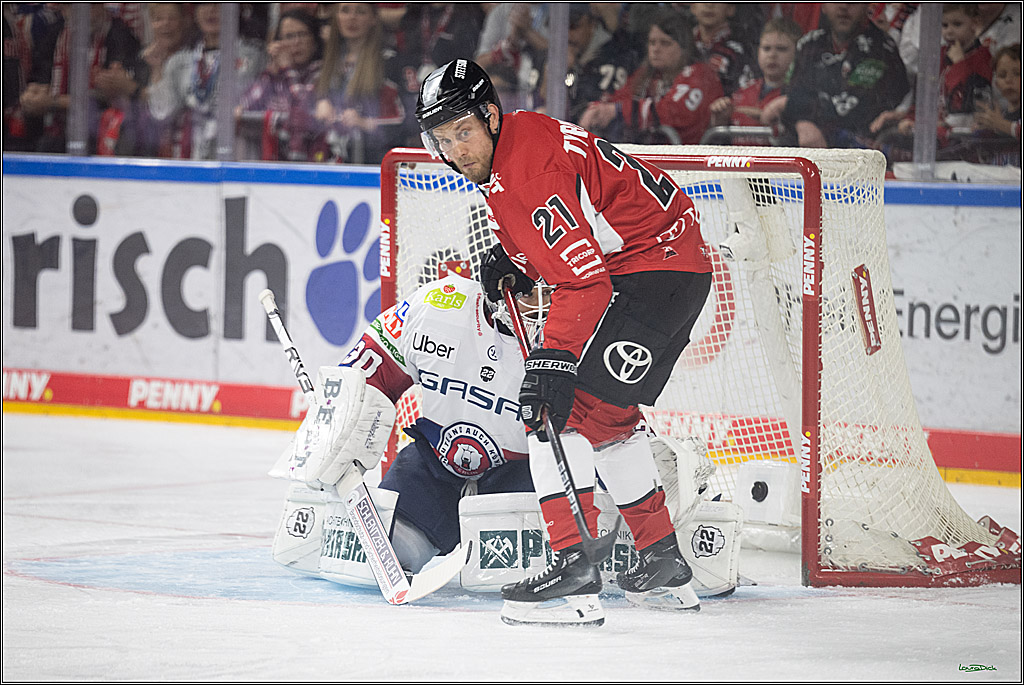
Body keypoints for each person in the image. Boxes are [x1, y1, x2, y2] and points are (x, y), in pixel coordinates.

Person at [416, 59, 713, 626]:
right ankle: (662, 562)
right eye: (442, 139)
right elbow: (577, 223)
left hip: (651, 278)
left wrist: (553, 360)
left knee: (555, 414)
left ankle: (573, 568)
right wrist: (518, 258)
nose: (455, 150)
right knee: (609, 422)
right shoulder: (522, 136)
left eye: (463, 131)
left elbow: (584, 282)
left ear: (490, 116)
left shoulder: (527, 175)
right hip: (670, 272)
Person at [578, 9, 723, 145]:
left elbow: (672, 113)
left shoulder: (701, 75)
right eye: (652, 42)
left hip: (689, 158)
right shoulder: (646, 75)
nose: (656, 49)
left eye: (665, 43)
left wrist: (618, 110)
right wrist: (599, 109)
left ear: (684, 48)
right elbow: (620, 98)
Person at [781, 2, 910, 149]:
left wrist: (797, 110)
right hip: (803, 150)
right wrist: (802, 122)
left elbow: (854, 111)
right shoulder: (809, 44)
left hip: (862, 152)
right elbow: (789, 93)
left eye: (852, 2)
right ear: (823, 6)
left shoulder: (882, 49)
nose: (844, 6)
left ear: (867, 6)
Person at [147, 3, 264, 159]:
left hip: (239, 154)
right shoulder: (180, 61)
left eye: (218, 4)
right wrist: (157, 69)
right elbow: (162, 112)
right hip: (194, 157)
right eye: (204, 4)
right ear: (195, 12)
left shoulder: (254, 56)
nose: (211, 10)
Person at [313, 2, 404, 165]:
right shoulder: (329, 62)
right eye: (345, 11)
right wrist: (320, 103)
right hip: (334, 162)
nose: (352, 18)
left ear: (373, 19)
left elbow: (408, 121)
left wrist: (366, 123)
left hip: (375, 163)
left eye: (360, 12)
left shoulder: (390, 62)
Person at [234, 9, 324, 161]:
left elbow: (302, 107)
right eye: (289, 37)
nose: (296, 42)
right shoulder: (275, 74)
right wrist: (272, 71)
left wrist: (287, 69)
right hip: (271, 159)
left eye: (302, 34)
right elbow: (246, 106)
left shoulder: (321, 72)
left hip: (309, 160)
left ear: (314, 41)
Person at [709, 18, 802, 144]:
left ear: (797, 54)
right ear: (758, 52)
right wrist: (719, 121)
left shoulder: (799, 95)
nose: (772, 55)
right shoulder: (743, 90)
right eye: (766, 48)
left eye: (781, 49)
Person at [690, 3, 756, 96]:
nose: (709, 5)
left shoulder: (741, 50)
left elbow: (747, 93)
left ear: (730, 9)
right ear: (693, 6)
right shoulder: (679, 44)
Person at [974, 43, 1022, 166]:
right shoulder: (1001, 116)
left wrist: (1002, 125)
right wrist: (983, 130)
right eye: (1002, 75)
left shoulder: (1000, 121)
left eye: (1017, 73)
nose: (1008, 80)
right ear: (996, 84)